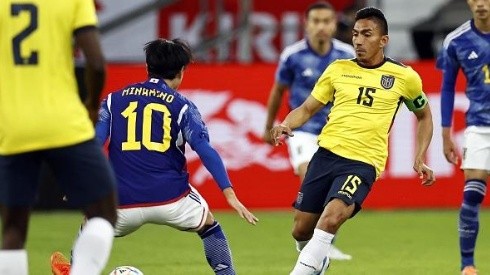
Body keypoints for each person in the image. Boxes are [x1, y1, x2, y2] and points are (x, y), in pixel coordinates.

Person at [52, 38, 259, 275]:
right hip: (171, 199)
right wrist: (229, 193)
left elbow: (94, 143)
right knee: (209, 225)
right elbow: (205, 150)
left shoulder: (113, 100)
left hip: (122, 201)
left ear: (147, 67)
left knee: (90, 226)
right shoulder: (182, 105)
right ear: (181, 72)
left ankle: (75, 270)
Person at [270, 7, 436, 274]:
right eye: (356, 34)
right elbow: (308, 108)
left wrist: (419, 156)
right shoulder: (337, 69)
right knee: (301, 229)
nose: (358, 40)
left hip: (363, 162)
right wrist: (286, 123)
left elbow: (425, 116)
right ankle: (318, 262)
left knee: (331, 218)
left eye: (367, 34)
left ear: (384, 40)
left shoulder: (404, 77)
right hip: (325, 155)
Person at [0, 0, 118, 275]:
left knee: (14, 229)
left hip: (13, 125)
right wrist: (91, 105)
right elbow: (97, 64)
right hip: (64, 122)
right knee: (104, 211)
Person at [263, 1, 355, 261]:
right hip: (302, 130)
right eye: (316, 21)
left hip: (337, 131)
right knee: (309, 177)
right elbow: (278, 90)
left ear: (334, 24)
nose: (321, 27)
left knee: (334, 189)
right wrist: (268, 125)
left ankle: (324, 242)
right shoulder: (292, 55)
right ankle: (317, 242)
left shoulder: (347, 54)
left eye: (326, 21)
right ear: (306, 24)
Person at [436, 0, 490, 274]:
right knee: (471, 194)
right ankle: (467, 264)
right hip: (479, 128)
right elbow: (446, 88)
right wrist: (445, 133)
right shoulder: (456, 40)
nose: (481, 3)